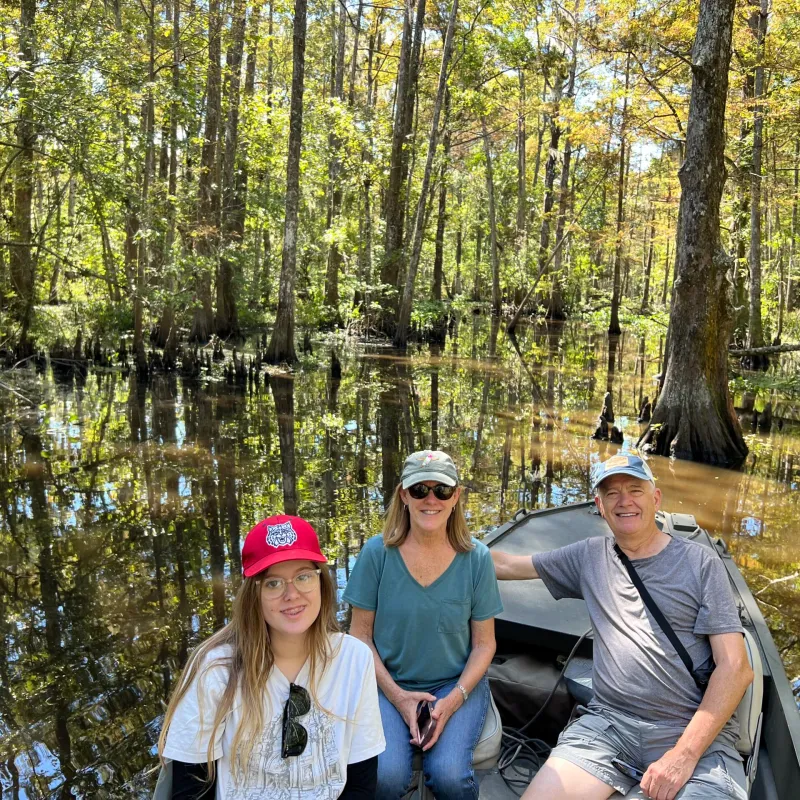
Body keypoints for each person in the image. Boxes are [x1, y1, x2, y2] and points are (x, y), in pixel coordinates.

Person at [491, 453, 754, 800]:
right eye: (612, 493)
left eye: (635, 489)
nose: (624, 501)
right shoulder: (589, 557)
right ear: (600, 506)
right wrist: (434, 540)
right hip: (608, 726)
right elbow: (508, 565)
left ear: (655, 498)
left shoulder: (699, 563)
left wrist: (682, 756)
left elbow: (735, 668)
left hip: (691, 733)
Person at [158, 514, 385, 799]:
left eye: (303, 576)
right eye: (273, 583)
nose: (291, 594)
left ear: (321, 584)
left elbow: (360, 784)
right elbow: (191, 790)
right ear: (253, 595)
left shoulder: (353, 660)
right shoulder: (216, 670)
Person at [344, 450, 503, 800]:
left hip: (455, 683)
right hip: (386, 683)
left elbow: (484, 645)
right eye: (419, 490)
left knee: (449, 777)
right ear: (403, 494)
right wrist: (398, 697)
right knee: (385, 777)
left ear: (456, 495)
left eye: (442, 491)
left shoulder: (477, 559)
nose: (431, 499)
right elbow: (359, 636)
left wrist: (454, 699)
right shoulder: (376, 554)